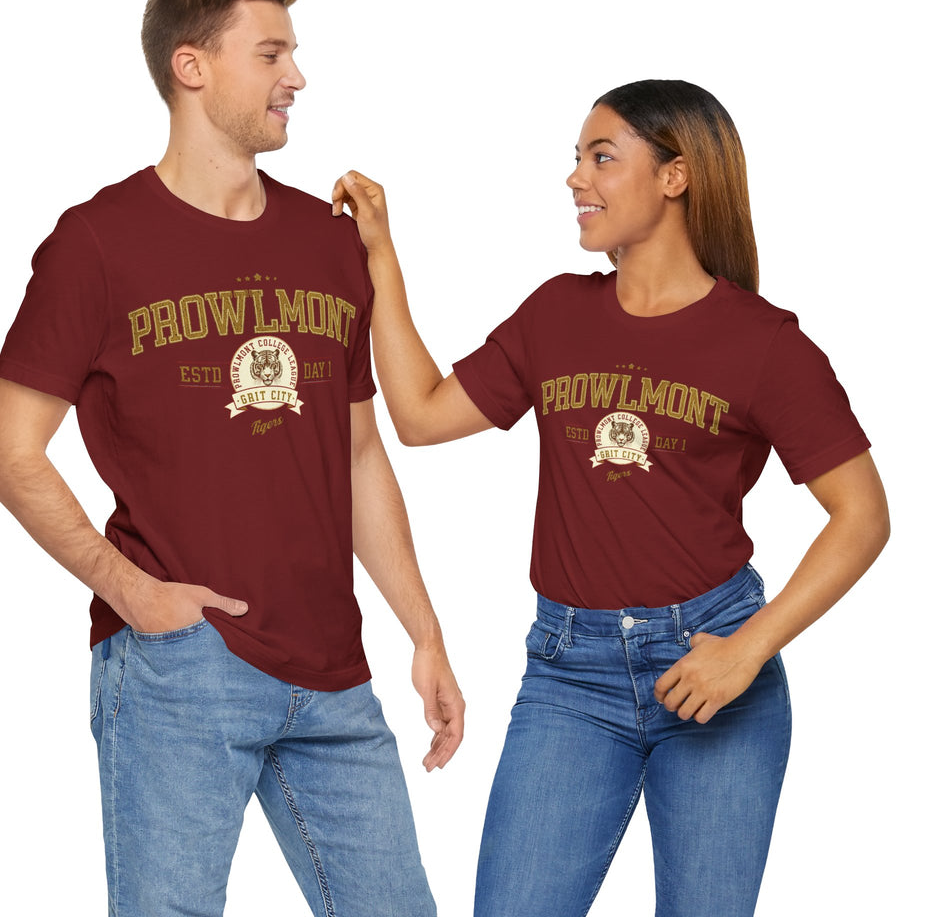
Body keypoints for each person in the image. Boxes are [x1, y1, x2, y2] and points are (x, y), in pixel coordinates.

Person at [331, 79, 889, 917]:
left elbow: (864, 516)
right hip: (570, 676)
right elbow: (419, 415)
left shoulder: (764, 343)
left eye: (601, 157)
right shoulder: (558, 313)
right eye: (576, 159)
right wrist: (381, 254)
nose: (575, 179)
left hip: (713, 666)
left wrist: (744, 652)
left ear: (676, 176)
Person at [0, 0, 463, 917]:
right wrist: (134, 592)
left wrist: (424, 629)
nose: (297, 78)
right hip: (179, 666)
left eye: (295, 53)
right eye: (272, 52)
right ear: (192, 67)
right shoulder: (97, 242)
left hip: (334, 667)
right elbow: (9, 450)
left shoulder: (329, 244)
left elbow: (358, 452)